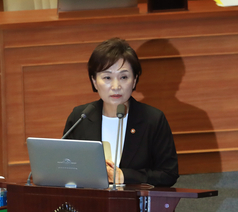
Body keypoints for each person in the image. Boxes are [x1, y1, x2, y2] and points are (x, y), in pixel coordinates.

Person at [63, 37, 179, 187]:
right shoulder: (80, 117)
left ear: (135, 80)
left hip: (136, 206)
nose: (116, 86)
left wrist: (124, 176)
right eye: (107, 77)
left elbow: (168, 174)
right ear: (94, 81)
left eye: (124, 77)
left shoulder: (153, 119)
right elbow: (65, 168)